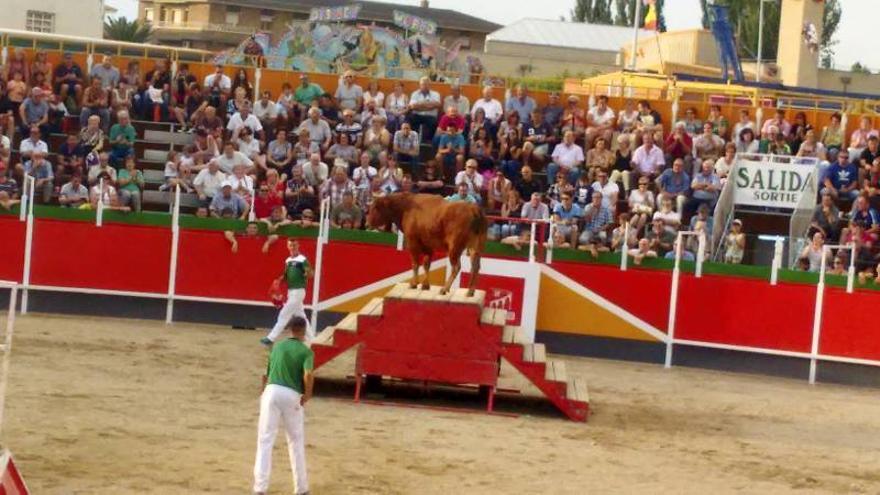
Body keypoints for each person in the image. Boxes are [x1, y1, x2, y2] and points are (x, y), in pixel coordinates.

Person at [252, 315, 313, 495]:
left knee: (265, 440)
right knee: (295, 441)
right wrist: (307, 395)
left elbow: (265, 374)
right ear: (303, 330)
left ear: (289, 329)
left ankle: (259, 489)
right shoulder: (306, 352)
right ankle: (301, 489)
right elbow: (308, 374)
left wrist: (263, 394)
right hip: (291, 394)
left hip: (270, 392)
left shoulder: (277, 347)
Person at [264, 239, 314, 345]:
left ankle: (271, 338)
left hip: (298, 291)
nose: (293, 247)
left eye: (294, 245)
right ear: (288, 246)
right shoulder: (287, 260)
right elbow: (286, 275)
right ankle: (313, 340)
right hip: (291, 291)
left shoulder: (302, 259)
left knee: (284, 314)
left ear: (298, 245)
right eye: (291, 245)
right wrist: (279, 280)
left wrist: (308, 273)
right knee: (301, 316)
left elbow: (310, 274)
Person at [408, 77, 441, 142]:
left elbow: (437, 105)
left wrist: (420, 104)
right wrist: (429, 105)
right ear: (420, 85)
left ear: (430, 85)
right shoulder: (415, 93)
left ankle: (428, 142)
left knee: (434, 122)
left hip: (430, 116)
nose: (425, 86)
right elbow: (412, 106)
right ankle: (413, 140)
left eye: (427, 84)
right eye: (423, 84)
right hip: (417, 115)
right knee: (411, 119)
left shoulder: (435, 94)